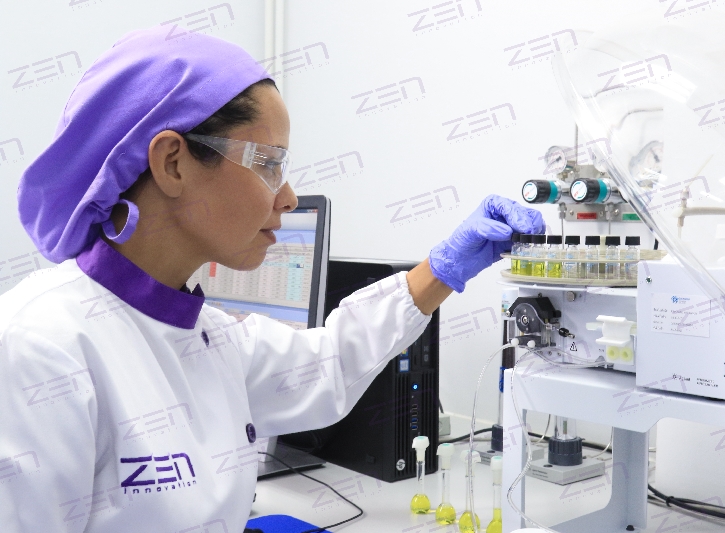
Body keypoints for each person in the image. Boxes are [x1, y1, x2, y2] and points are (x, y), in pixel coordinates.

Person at [0, 26, 543, 533]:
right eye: (267, 162)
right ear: (172, 163)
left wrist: (441, 270)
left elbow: (327, 366)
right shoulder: (40, 348)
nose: (287, 196)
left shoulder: (211, 337)